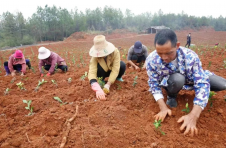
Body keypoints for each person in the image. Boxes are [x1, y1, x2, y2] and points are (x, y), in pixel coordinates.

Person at [146, 29, 226, 136]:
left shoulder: (190, 56)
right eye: (160, 53)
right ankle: (172, 96)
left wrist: (193, 115)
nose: (164, 57)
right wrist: (163, 107)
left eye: (169, 53)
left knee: (222, 84)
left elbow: (201, 83)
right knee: (178, 79)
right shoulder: (152, 60)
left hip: (191, 79)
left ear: (177, 46)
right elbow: (154, 85)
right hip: (173, 82)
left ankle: (203, 94)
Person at [88, 35, 126, 100]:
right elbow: (92, 71)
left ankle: (118, 78)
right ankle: (101, 80)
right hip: (102, 72)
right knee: (98, 68)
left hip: (111, 70)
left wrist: (108, 84)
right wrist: (96, 87)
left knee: (122, 65)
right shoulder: (95, 57)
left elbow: (115, 69)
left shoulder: (115, 52)